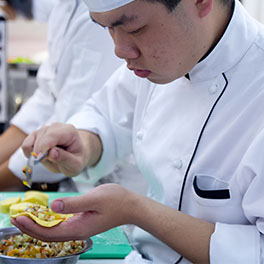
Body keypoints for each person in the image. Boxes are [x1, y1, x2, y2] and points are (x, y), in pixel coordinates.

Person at [11, 0, 264, 263]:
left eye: (135, 28)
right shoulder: (163, 59)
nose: (120, 51)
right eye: (107, 28)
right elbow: (107, 114)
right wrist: (84, 144)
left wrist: (135, 210)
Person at [0, 0, 123, 191]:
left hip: (113, 185)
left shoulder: (98, 12)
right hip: (79, 181)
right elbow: (46, 97)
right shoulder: (63, 8)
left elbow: (67, 127)